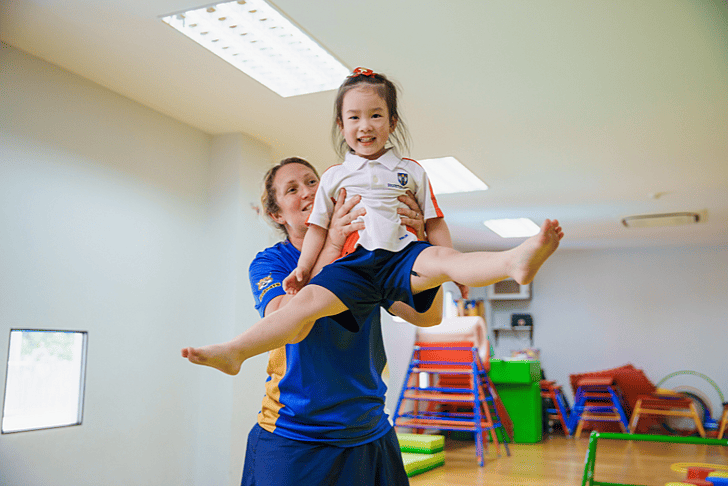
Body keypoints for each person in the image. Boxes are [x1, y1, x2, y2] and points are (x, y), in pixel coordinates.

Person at [181, 67, 563, 377]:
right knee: (308, 301)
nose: (365, 125)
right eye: (354, 117)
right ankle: (235, 351)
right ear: (341, 125)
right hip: (356, 263)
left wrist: (451, 269)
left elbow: (434, 226)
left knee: (447, 259)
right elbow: (317, 233)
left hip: (402, 254)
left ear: (392, 122)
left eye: (375, 115)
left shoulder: (411, 171)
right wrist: (301, 269)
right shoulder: (335, 177)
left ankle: (513, 260)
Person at [238, 157, 442, 485]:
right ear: (277, 215)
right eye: (292, 189)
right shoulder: (272, 262)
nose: (306, 192)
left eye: (311, 182)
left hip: (369, 430)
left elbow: (427, 316)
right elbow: (286, 323)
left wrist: (420, 246)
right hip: (294, 435)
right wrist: (331, 244)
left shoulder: (367, 253)